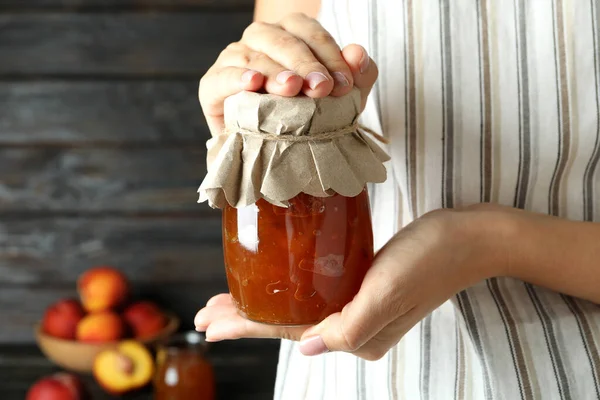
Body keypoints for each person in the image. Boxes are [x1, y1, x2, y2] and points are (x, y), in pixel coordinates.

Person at [195, 0, 600, 398]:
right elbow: (271, 90)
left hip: (570, 370)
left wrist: (485, 244)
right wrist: (238, 109)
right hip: (345, 376)